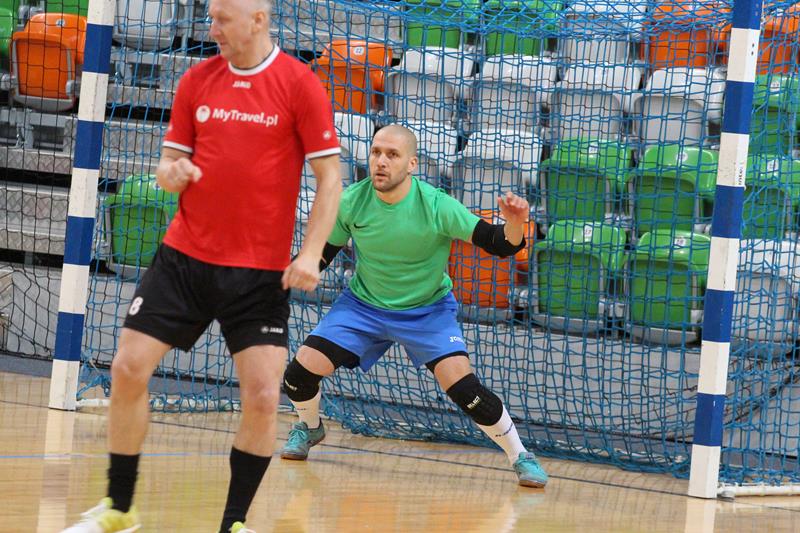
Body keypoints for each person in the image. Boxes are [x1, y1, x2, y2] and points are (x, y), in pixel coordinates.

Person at [62, 0, 342, 530]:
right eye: (210, 17)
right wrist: (171, 174)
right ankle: (119, 508)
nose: (211, 29)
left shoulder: (299, 84)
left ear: (258, 20)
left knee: (263, 396)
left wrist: (310, 253)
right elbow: (169, 163)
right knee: (127, 368)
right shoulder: (196, 80)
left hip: (258, 274)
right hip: (184, 260)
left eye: (222, 19)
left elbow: (330, 179)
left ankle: (233, 522)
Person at [279, 124, 548, 488]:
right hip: (364, 306)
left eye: (392, 155)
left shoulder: (436, 205)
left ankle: (521, 456)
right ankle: (309, 427)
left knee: (466, 391)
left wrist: (515, 223)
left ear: (412, 164)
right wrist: (295, 272)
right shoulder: (352, 200)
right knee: (297, 375)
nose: (381, 161)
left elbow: (500, 243)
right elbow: (323, 253)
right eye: (376, 152)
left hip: (427, 311)